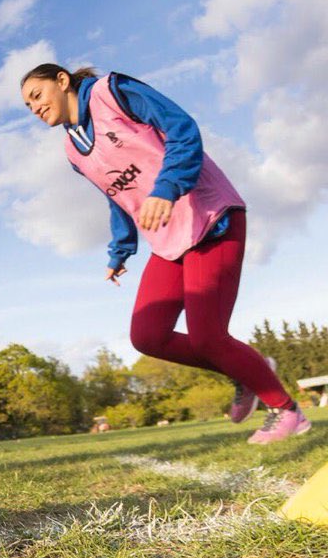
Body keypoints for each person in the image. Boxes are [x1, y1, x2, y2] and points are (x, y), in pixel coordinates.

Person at [20, 65, 309, 445]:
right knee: (147, 335)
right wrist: (120, 250)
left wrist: (169, 186)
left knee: (208, 337)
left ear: (61, 80)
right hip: (168, 238)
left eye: (37, 96)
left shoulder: (114, 92)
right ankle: (246, 370)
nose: (35, 108)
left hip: (208, 217)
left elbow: (182, 128)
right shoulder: (73, 150)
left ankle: (287, 410)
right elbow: (116, 197)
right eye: (28, 106)